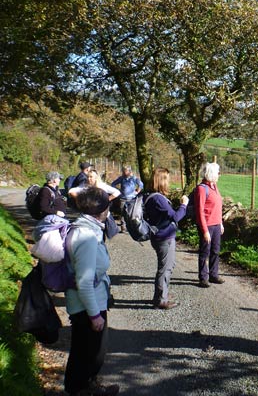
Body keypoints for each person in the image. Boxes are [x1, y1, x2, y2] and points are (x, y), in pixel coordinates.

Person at [64, 186, 119, 396]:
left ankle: (83, 386)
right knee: (91, 353)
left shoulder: (87, 228)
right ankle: (81, 389)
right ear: (101, 211)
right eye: (108, 207)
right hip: (87, 306)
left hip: (89, 302)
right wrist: (95, 315)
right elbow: (84, 282)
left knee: (84, 351)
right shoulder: (86, 237)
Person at [144, 168, 189, 309]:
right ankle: (161, 300)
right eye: (167, 179)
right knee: (165, 268)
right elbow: (175, 217)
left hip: (159, 236)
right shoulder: (158, 199)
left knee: (167, 266)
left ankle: (162, 294)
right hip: (164, 237)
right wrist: (184, 204)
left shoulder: (150, 195)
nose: (169, 182)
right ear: (162, 180)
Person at [193, 162, 225, 288]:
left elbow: (218, 206)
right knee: (204, 252)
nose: (219, 175)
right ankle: (203, 278)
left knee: (215, 251)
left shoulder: (214, 186)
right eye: (218, 172)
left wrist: (220, 223)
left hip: (216, 225)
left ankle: (213, 274)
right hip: (207, 226)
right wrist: (205, 230)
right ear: (211, 173)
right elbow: (199, 211)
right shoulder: (201, 189)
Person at [111, 166, 143, 233]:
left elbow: (141, 184)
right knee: (123, 213)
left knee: (131, 213)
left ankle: (132, 227)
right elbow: (113, 184)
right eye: (123, 171)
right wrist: (118, 191)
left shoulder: (134, 178)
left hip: (132, 199)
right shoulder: (121, 178)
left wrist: (137, 191)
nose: (123, 172)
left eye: (125, 171)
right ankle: (123, 228)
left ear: (129, 171)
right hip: (123, 198)